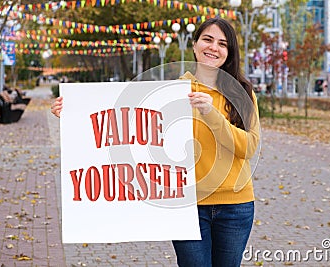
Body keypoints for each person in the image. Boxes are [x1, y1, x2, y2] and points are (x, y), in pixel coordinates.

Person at [51, 17, 260, 267]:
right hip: (186, 206)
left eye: (222, 43)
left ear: (229, 52)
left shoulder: (242, 93)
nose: (213, 47)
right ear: (194, 45)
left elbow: (247, 148)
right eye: (207, 39)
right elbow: (126, 124)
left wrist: (212, 115)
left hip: (235, 207)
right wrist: (74, 112)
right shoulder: (170, 91)